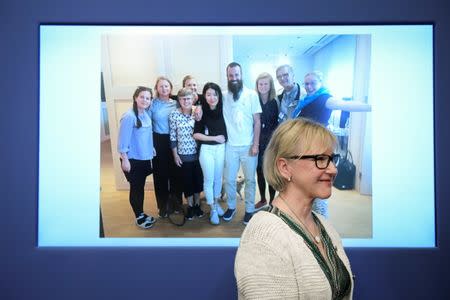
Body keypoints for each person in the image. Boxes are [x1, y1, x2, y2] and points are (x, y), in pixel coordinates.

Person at [235, 118, 353, 299]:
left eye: (331, 159)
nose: (333, 169)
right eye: (320, 159)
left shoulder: (322, 224)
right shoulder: (263, 236)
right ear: (284, 167)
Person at [292, 70, 371, 217]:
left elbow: (344, 105)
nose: (309, 86)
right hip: (306, 146)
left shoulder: (325, 98)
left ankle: (323, 225)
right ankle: (312, 219)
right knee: (309, 183)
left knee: (318, 183)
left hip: (317, 147)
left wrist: (371, 106)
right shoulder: (307, 99)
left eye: (313, 83)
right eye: (306, 83)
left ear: (320, 83)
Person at [222, 62, 262, 225]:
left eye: (236, 75)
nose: (234, 78)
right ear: (227, 77)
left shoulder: (252, 94)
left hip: (248, 146)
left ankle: (249, 210)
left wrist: (255, 145)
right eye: (231, 76)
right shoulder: (223, 95)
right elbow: (207, 101)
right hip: (230, 146)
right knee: (229, 180)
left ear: (241, 75)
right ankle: (231, 207)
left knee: (250, 180)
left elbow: (257, 122)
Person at [117, 86, 156, 229]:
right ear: (135, 98)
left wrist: (150, 147)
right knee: (136, 188)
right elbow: (123, 142)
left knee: (140, 187)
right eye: (142, 97)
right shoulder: (129, 116)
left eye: (148, 98)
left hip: (144, 158)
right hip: (132, 159)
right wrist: (125, 159)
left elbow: (146, 135)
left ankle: (141, 212)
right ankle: (139, 216)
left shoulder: (145, 114)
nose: (145, 100)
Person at [193, 82, 227, 225]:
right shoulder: (201, 112)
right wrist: (215, 138)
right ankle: (212, 208)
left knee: (218, 179)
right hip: (206, 150)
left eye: (214, 94)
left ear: (219, 95)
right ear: (204, 96)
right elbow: (196, 135)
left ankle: (216, 202)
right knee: (209, 180)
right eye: (208, 94)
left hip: (221, 149)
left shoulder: (225, 109)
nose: (212, 97)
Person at [151, 76, 183, 218]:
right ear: (156, 88)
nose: (164, 89)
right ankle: (163, 206)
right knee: (160, 175)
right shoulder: (152, 104)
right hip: (159, 140)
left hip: (175, 140)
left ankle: (177, 204)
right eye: (161, 86)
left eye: (166, 86)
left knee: (176, 173)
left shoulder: (176, 103)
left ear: (170, 88)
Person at [169, 88, 204, 220]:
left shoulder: (198, 111)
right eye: (183, 99)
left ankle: (197, 205)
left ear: (193, 99)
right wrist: (175, 155)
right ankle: (190, 206)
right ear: (179, 100)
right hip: (183, 155)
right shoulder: (173, 115)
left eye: (188, 98)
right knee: (187, 183)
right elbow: (172, 136)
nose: (186, 101)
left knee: (198, 182)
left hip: (199, 154)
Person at [253, 73, 278, 211]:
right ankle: (262, 199)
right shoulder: (254, 99)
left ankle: (273, 201)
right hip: (257, 141)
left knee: (270, 173)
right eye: (260, 84)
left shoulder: (275, 102)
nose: (262, 86)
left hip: (271, 143)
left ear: (270, 85)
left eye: (265, 84)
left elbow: (276, 124)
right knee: (260, 172)